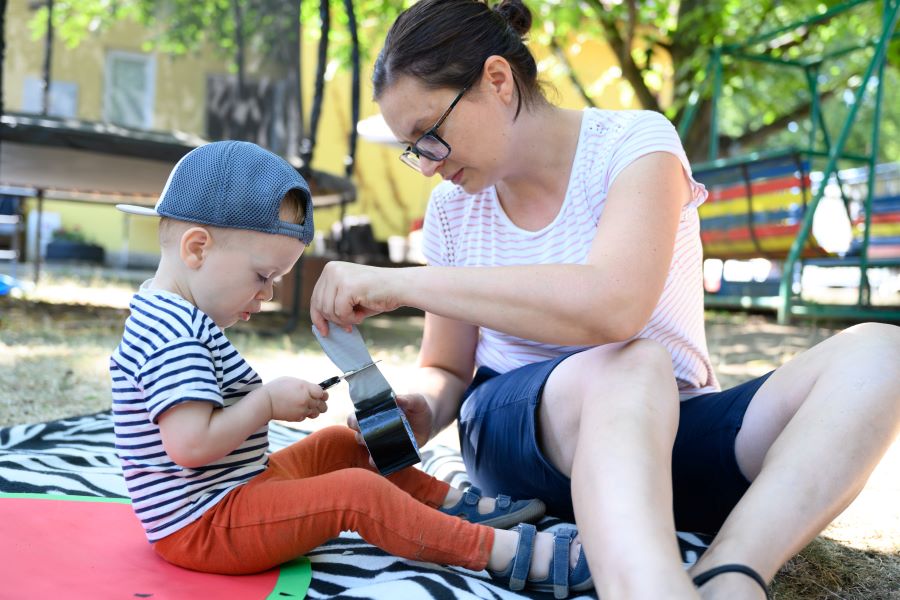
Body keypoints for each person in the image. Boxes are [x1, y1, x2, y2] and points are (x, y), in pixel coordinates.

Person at [308, 1, 900, 599]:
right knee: (630, 363)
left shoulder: (634, 144)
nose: (428, 166)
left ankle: (732, 573)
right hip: (521, 435)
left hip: (664, 428)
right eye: (415, 149)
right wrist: (424, 407)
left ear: (497, 81)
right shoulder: (453, 208)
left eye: (430, 136)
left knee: (880, 351)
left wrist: (402, 282)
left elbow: (616, 304)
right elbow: (447, 366)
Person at [109, 140, 593, 598]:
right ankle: (497, 553)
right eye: (262, 276)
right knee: (355, 493)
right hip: (206, 525)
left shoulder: (175, 317)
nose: (268, 294)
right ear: (197, 248)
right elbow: (191, 446)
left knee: (343, 447)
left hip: (236, 487)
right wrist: (267, 403)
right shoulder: (171, 334)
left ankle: (441, 503)